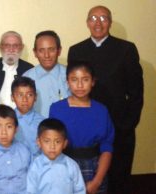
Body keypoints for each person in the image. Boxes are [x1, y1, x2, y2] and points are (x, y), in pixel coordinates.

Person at [67, 5, 143, 194]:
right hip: (86, 127)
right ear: (87, 23)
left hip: (119, 126)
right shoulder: (76, 50)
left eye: (103, 18)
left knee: (119, 177)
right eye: (93, 18)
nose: (98, 23)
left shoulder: (126, 49)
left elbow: (136, 91)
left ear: (110, 22)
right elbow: (74, 88)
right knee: (88, 179)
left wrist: (128, 124)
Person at [49, 63, 115, 194]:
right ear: (67, 81)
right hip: (64, 166)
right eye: (74, 80)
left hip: (95, 169)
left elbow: (106, 148)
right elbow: (53, 143)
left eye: (85, 79)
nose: (80, 85)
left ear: (93, 82)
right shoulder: (57, 109)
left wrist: (97, 181)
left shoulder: (101, 110)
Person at [27, 118, 85, 194]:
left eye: (57, 142)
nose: (52, 146)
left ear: (64, 143)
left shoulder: (71, 165)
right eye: (47, 141)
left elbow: (80, 190)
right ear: (39, 142)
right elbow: (31, 191)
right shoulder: (35, 166)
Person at [23, 30, 69, 117]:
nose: (47, 55)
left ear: (59, 51)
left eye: (51, 49)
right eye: (41, 50)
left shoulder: (70, 76)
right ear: (35, 53)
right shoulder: (26, 77)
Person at [0, 31, 33, 108]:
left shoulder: (29, 69)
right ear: (0, 47)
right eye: (7, 45)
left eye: (15, 46)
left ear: (22, 47)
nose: (11, 49)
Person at [11, 76, 44, 158]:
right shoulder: (7, 120)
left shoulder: (42, 122)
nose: (24, 99)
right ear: (12, 97)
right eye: (20, 95)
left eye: (29, 95)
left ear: (35, 97)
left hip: (35, 167)